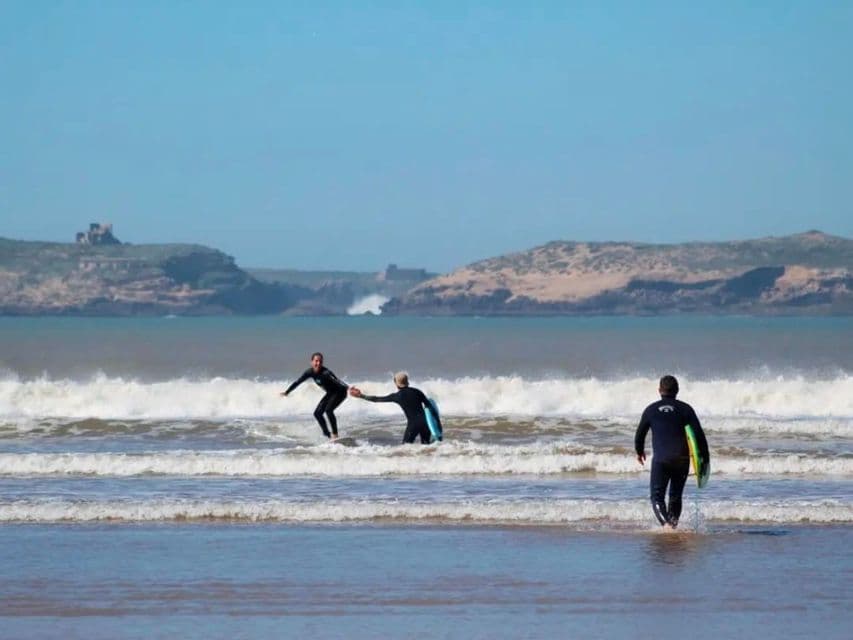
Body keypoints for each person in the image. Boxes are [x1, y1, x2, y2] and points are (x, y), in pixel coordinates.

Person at [634, 375, 709, 529]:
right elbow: (699, 436)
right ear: (677, 391)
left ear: (659, 390)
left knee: (656, 497)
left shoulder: (651, 410)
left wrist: (639, 451)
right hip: (682, 460)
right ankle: (672, 526)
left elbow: (640, 433)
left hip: (661, 460)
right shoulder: (686, 409)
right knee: (675, 496)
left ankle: (667, 526)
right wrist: (705, 460)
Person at [349, 372, 439, 444]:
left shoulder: (397, 396)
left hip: (413, 425)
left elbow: (377, 399)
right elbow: (429, 406)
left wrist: (361, 396)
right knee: (426, 447)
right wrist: (438, 425)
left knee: (406, 448)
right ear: (407, 381)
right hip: (425, 423)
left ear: (396, 383)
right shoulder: (417, 391)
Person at [281, 352, 349, 439]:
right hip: (331, 393)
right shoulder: (309, 372)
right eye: (316, 361)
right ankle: (327, 434)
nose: (318, 363)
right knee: (317, 413)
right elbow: (298, 382)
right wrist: (287, 392)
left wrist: (349, 388)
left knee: (328, 410)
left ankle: (335, 435)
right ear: (311, 362)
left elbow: (338, 381)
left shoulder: (326, 372)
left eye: (320, 361)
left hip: (340, 392)